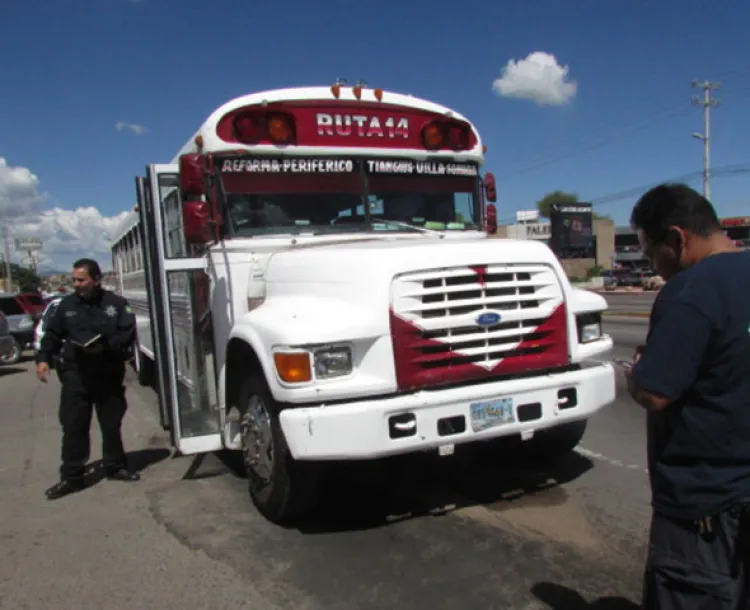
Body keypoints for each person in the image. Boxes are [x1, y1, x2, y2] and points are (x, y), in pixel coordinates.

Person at [624, 183, 750, 608]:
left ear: (677, 238)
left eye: (649, 253)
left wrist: (637, 374)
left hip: (705, 506)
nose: (652, 265)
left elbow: (655, 392)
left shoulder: (690, 291)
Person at [36, 258, 140, 500]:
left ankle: (116, 466)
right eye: (74, 280)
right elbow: (52, 334)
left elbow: (126, 333)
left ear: (96, 280)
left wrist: (106, 347)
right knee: (74, 427)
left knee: (111, 424)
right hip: (76, 375)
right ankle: (72, 478)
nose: (76, 284)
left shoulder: (115, 304)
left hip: (107, 374)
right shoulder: (66, 306)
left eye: (81, 280)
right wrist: (43, 359)